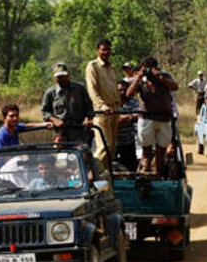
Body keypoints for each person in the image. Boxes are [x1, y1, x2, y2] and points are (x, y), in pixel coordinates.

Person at [127, 56, 178, 176]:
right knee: (146, 152)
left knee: (161, 152)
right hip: (146, 118)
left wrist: (159, 77)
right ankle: (146, 175)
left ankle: (159, 176)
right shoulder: (141, 79)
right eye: (146, 69)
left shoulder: (164, 76)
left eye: (151, 68)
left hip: (164, 118)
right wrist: (139, 76)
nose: (149, 72)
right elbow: (129, 93)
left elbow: (175, 87)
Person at [85, 39, 121, 168]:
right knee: (104, 146)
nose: (106, 52)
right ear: (97, 51)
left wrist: (119, 105)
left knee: (111, 148)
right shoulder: (93, 66)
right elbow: (92, 90)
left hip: (114, 111)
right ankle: (94, 173)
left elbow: (115, 89)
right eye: (103, 50)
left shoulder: (112, 68)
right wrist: (102, 106)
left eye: (108, 49)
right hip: (102, 112)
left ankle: (106, 175)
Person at [42, 62, 94, 143]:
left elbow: (89, 108)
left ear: (68, 75)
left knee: (82, 153)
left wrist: (88, 119)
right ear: (55, 78)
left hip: (80, 132)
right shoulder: (50, 93)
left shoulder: (80, 89)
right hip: (60, 134)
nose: (62, 79)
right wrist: (54, 120)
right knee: (61, 155)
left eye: (63, 76)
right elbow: (45, 112)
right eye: (59, 77)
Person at [115, 80, 139, 171]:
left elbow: (139, 114)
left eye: (124, 90)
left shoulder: (132, 100)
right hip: (114, 140)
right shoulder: (112, 101)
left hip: (129, 139)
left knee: (131, 165)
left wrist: (126, 117)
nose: (122, 92)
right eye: (120, 90)